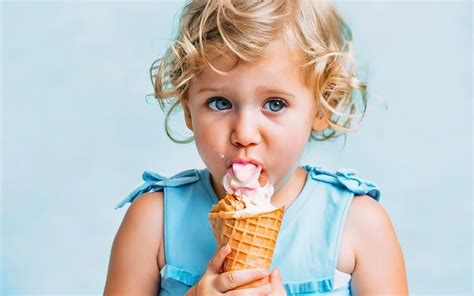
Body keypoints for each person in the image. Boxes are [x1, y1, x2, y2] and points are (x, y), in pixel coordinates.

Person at [104, 0, 408, 295]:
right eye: (220, 103)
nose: (245, 134)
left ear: (321, 108)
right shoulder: (153, 222)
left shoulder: (360, 226)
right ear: (188, 110)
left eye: (275, 104)